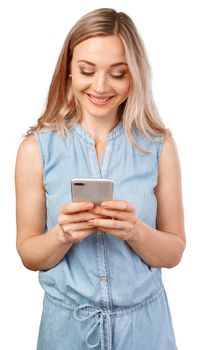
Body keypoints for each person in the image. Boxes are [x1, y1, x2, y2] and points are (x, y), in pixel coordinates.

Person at [15, 8, 185, 350]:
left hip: (145, 332)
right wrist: (62, 235)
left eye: (118, 73)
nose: (100, 86)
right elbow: (29, 254)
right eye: (87, 71)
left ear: (135, 75)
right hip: (66, 332)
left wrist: (135, 231)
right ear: (68, 72)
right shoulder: (36, 149)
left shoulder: (159, 146)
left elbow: (174, 251)